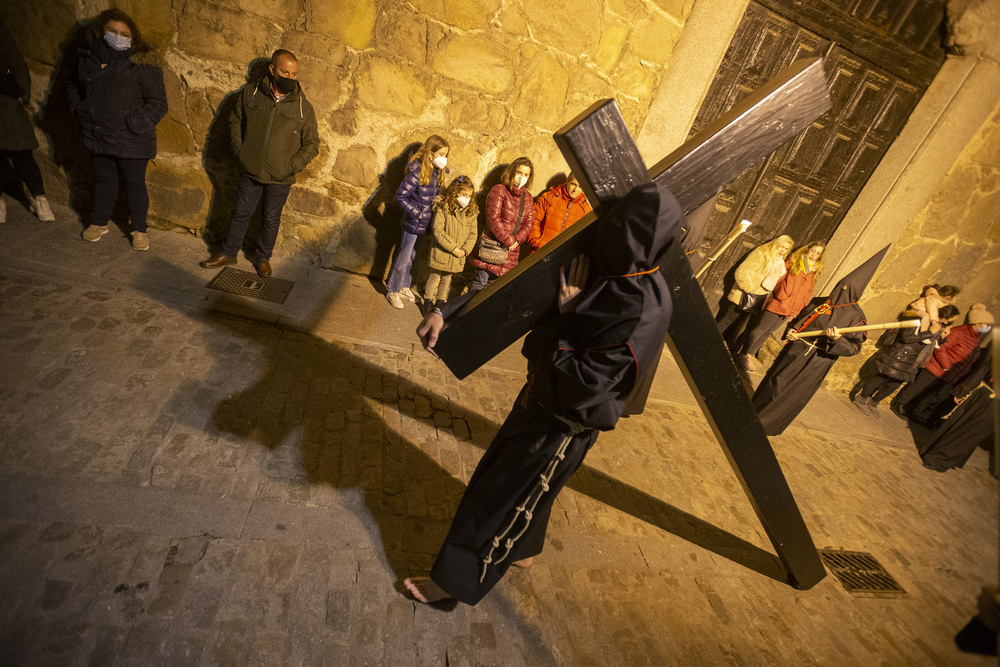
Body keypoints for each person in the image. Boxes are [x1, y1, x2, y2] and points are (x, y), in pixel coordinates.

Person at [403, 182, 681, 608]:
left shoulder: (642, 307)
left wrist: (569, 320)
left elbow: (584, 386)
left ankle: (452, 585)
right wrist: (445, 313)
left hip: (563, 423)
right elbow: (522, 288)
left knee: (499, 499)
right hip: (541, 394)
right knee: (511, 481)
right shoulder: (607, 260)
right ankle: (525, 550)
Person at [200, 49, 319, 277]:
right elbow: (235, 119)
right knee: (240, 212)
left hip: (281, 176)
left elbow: (312, 143)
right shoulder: (250, 94)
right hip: (250, 169)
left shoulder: (304, 107)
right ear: (272, 70)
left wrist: (292, 166)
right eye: (285, 72)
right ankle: (228, 253)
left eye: (294, 74)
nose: (290, 78)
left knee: (271, 218)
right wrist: (240, 150)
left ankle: (263, 258)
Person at [751, 247, 889, 436]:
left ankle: (765, 423)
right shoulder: (822, 302)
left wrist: (837, 339)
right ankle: (752, 411)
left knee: (788, 391)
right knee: (774, 381)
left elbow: (853, 348)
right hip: (795, 350)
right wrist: (792, 330)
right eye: (839, 286)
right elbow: (800, 320)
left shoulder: (856, 317)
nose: (839, 291)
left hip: (816, 360)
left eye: (845, 288)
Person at [69, 9, 167, 251]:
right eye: (113, 31)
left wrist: (134, 124)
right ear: (101, 30)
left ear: (133, 38)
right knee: (104, 180)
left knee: (135, 184)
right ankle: (99, 222)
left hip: (132, 139)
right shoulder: (87, 58)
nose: (118, 36)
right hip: (99, 134)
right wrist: (79, 108)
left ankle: (140, 229)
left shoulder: (142, 64)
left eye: (124, 33)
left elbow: (158, 104)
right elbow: (72, 83)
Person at [852, 303, 960, 417]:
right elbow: (907, 338)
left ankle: (873, 403)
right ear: (944, 316)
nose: (949, 323)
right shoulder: (919, 319)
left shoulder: (937, 326)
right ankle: (861, 399)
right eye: (950, 321)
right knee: (881, 376)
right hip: (900, 353)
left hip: (912, 359)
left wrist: (942, 336)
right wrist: (930, 332)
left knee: (895, 384)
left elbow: (933, 343)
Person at [891, 303, 993, 423]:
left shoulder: (976, 339)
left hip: (947, 374)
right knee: (917, 388)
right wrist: (946, 366)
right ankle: (900, 404)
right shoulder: (959, 332)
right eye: (987, 324)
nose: (988, 327)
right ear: (977, 322)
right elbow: (941, 348)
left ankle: (910, 408)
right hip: (936, 369)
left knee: (924, 392)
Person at [733, 241, 825, 371]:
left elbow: (808, 290)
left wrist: (801, 305)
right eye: (813, 250)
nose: (814, 254)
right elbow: (778, 278)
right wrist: (782, 294)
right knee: (759, 328)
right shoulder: (794, 261)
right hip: (780, 301)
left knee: (767, 331)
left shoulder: (814, 270)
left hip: (792, 307)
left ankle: (749, 355)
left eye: (818, 253)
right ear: (807, 249)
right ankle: (742, 354)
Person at [383, 134, 449, 308]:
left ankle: (405, 286)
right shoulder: (416, 173)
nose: (444, 159)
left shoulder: (437, 174)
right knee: (403, 257)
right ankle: (393, 290)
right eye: (441, 154)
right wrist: (416, 213)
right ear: (430, 154)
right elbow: (401, 196)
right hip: (413, 223)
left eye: (446, 155)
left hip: (425, 224)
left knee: (413, 257)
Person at [0, 24, 55, 223]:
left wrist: (23, 95)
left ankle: (39, 198)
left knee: (23, 154)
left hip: (6, 103)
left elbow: (17, 63)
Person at [921, 338, 993, 472]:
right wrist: (962, 392)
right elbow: (982, 372)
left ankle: (940, 460)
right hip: (982, 396)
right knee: (956, 424)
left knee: (972, 433)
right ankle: (932, 451)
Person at [467, 157, 535, 296]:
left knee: (494, 288)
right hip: (492, 246)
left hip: (511, 252)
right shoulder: (499, 190)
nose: (521, 177)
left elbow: (529, 223)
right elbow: (493, 218)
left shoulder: (527, 197)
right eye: (519, 172)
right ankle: (463, 313)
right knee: (480, 283)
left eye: (526, 174)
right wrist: (508, 240)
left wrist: (516, 241)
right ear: (512, 172)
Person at [715, 235, 793, 349]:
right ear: (776, 243)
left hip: (758, 298)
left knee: (739, 323)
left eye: (786, 249)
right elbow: (742, 271)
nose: (783, 250)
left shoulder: (779, 261)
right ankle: (708, 339)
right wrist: (751, 289)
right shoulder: (762, 252)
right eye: (782, 246)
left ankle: (720, 344)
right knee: (728, 319)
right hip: (744, 294)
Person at [422, 175, 477, 310]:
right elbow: (438, 230)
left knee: (447, 278)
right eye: (464, 195)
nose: (466, 199)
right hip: (442, 251)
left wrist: (465, 250)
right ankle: (428, 301)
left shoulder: (471, 212)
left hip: (457, 254)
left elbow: (473, 234)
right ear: (455, 192)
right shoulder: (444, 207)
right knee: (434, 276)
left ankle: (440, 302)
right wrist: (453, 248)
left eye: (469, 196)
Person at [527, 173, 591, 251]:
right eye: (573, 184)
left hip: (562, 258)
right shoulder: (549, 197)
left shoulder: (586, 210)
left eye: (580, 187)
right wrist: (537, 243)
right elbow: (533, 220)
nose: (575, 189)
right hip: (539, 253)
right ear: (567, 181)